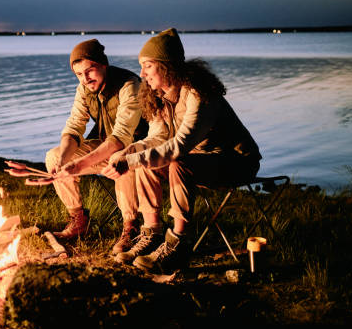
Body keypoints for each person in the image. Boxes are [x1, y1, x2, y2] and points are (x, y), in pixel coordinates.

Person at [102, 28, 261, 273]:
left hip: (237, 161)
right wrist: (128, 153)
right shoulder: (158, 95)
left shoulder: (199, 94)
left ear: (167, 66)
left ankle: (178, 243)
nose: (142, 73)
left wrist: (131, 160)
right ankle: (152, 233)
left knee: (178, 163)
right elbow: (157, 138)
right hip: (198, 158)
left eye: (148, 66)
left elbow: (180, 145)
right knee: (147, 163)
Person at [46, 38, 148, 254]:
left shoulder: (129, 86)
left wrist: (78, 165)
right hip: (106, 144)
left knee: (120, 159)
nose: (85, 79)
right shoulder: (84, 89)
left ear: (103, 65)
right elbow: (74, 128)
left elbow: (121, 137)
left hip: (139, 148)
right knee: (54, 157)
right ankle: (78, 220)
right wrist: (65, 159)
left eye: (90, 71)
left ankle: (131, 227)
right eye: (79, 74)